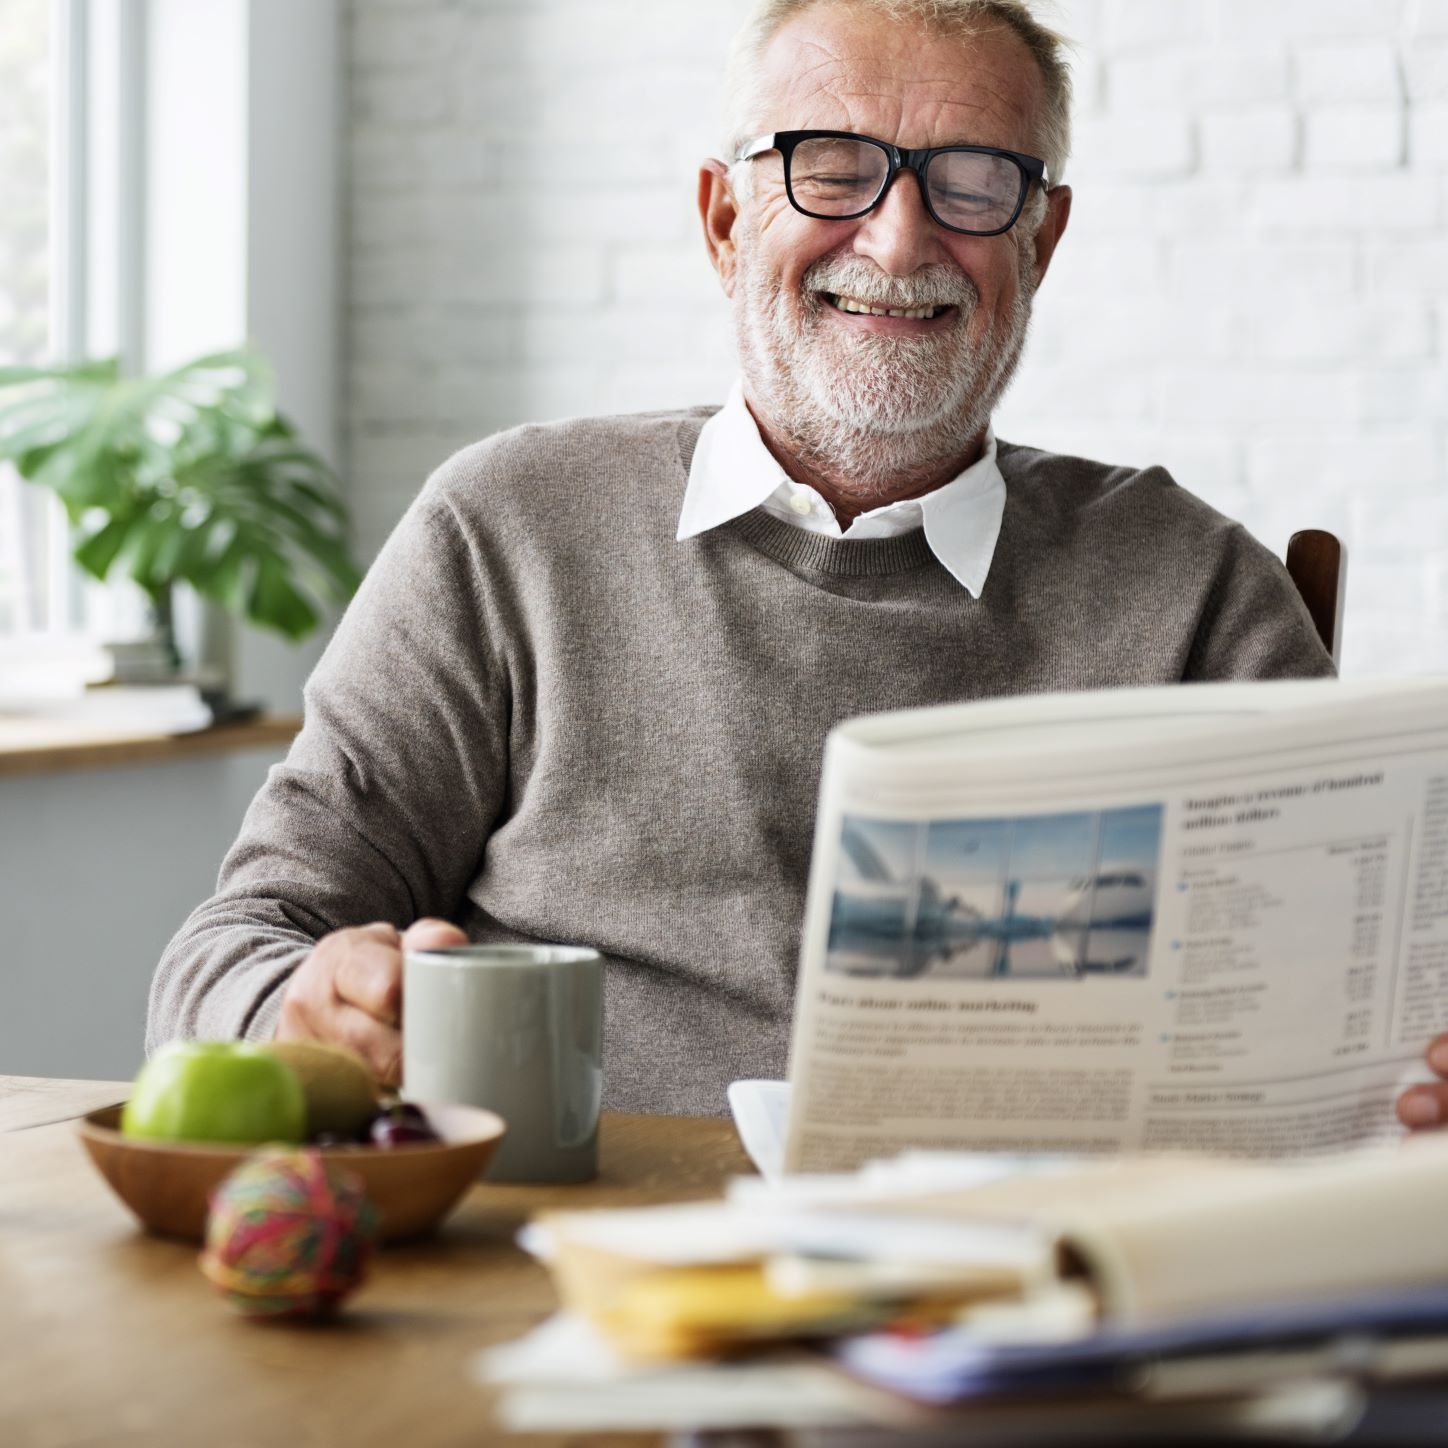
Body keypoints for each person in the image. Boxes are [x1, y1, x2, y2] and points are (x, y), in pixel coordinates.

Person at [151, 0, 1448, 1128]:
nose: (896, 241)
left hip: (1036, 1302)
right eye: (831, 169)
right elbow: (227, 957)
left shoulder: (1197, 594)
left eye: (974, 182)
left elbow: (1358, 1020)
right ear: (724, 220)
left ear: (1040, 244)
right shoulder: (509, 530)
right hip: (578, 1291)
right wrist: (300, 1010)